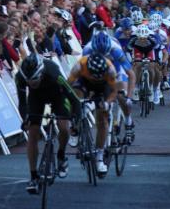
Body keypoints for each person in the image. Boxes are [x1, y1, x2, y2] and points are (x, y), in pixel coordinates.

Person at [16, 53, 81, 194]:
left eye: (34, 79)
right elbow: (22, 103)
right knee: (32, 133)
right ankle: (33, 176)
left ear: (41, 72)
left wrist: (76, 119)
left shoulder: (53, 72)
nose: (31, 83)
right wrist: (25, 118)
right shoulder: (20, 77)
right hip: (36, 97)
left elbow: (74, 98)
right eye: (29, 81)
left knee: (63, 127)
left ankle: (61, 155)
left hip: (58, 94)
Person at [68, 53, 117, 175]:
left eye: (98, 75)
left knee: (103, 119)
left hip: (103, 86)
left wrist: (107, 103)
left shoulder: (110, 69)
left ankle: (100, 158)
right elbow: (68, 84)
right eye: (94, 75)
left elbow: (114, 91)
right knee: (75, 96)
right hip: (84, 82)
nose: (96, 77)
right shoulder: (80, 65)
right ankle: (75, 128)